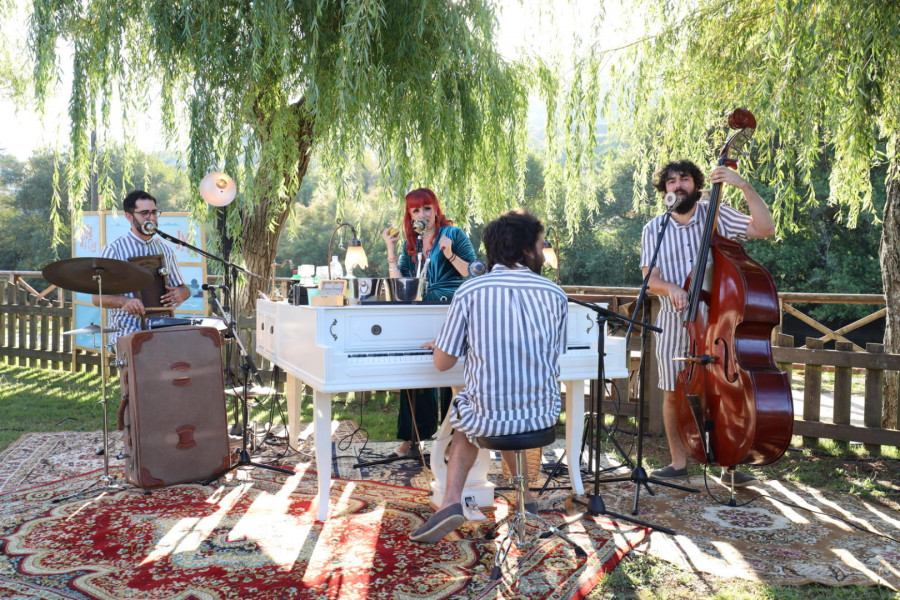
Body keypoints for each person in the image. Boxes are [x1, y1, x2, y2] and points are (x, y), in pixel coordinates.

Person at [409, 210, 566, 543]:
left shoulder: (470, 291)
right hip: (543, 415)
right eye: (540, 245)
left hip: (490, 418)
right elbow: (554, 351)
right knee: (504, 407)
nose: (542, 252)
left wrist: (444, 343)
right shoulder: (555, 294)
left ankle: (451, 502)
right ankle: (526, 499)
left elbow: (442, 364)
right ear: (525, 250)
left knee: (467, 414)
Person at [640, 159, 776, 487]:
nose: (677, 186)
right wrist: (671, 288)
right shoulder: (652, 229)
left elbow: (765, 229)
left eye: (684, 179)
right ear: (664, 191)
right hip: (675, 320)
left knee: (721, 389)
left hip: (718, 323)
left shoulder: (716, 213)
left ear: (696, 185)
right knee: (673, 390)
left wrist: (743, 185)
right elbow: (649, 279)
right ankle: (677, 462)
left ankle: (728, 464)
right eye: (670, 182)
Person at [381, 187, 477, 458]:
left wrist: (449, 255)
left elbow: (474, 272)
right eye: (415, 210)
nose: (422, 214)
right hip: (419, 312)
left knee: (452, 372)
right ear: (409, 215)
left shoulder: (453, 234)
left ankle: (451, 439)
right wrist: (391, 249)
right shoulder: (410, 243)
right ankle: (413, 438)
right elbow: (401, 281)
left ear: (436, 210)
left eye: (426, 208)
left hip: (452, 310)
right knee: (417, 370)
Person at [92, 190, 190, 346]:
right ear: (129, 216)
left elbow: (184, 289)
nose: (151, 218)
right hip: (127, 329)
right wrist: (124, 301)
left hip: (162, 326)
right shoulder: (113, 250)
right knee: (140, 360)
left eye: (154, 213)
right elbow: (97, 298)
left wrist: (181, 293)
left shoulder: (165, 250)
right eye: (145, 213)